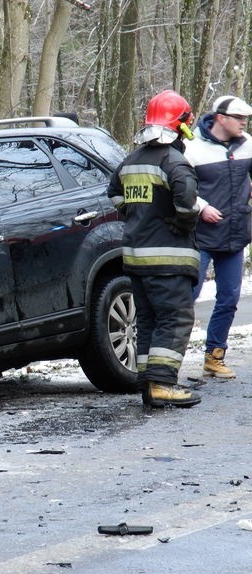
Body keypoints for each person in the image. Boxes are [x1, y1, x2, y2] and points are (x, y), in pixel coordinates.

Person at [107, 90, 202, 408]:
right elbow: (188, 206)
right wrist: (180, 223)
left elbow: (114, 194)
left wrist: (136, 213)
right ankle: (163, 383)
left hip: (135, 258)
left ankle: (149, 382)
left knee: (147, 319)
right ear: (183, 124)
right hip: (168, 259)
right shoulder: (175, 161)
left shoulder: (131, 159)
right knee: (175, 318)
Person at [184, 95, 252, 379]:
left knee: (229, 298)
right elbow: (180, 189)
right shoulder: (192, 148)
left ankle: (214, 356)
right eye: (239, 119)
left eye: (246, 120)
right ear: (221, 118)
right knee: (188, 296)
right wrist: (202, 208)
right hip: (201, 236)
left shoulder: (248, 144)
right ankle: (170, 357)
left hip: (236, 236)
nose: (244, 124)